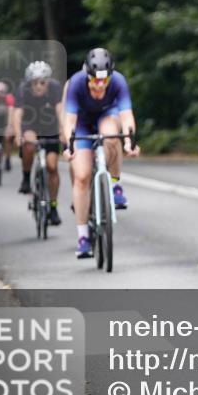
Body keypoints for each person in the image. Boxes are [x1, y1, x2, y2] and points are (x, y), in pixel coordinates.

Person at [61, 48, 139, 258]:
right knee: (82, 176)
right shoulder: (76, 83)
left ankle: (114, 184)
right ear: (87, 76)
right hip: (83, 123)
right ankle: (83, 237)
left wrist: (130, 142)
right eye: (95, 81)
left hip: (107, 115)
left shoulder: (118, 82)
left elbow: (126, 116)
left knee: (111, 135)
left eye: (104, 81)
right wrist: (68, 146)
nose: (99, 85)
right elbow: (69, 121)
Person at [13, 61, 64, 226]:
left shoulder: (55, 88)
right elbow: (17, 114)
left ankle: (54, 207)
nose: (39, 86)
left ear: (48, 81)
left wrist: (64, 130)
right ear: (29, 83)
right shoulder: (22, 90)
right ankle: (26, 178)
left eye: (42, 82)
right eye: (35, 83)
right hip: (30, 123)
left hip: (50, 126)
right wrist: (18, 134)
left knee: (52, 166)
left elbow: (60, 109)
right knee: (29, 143)